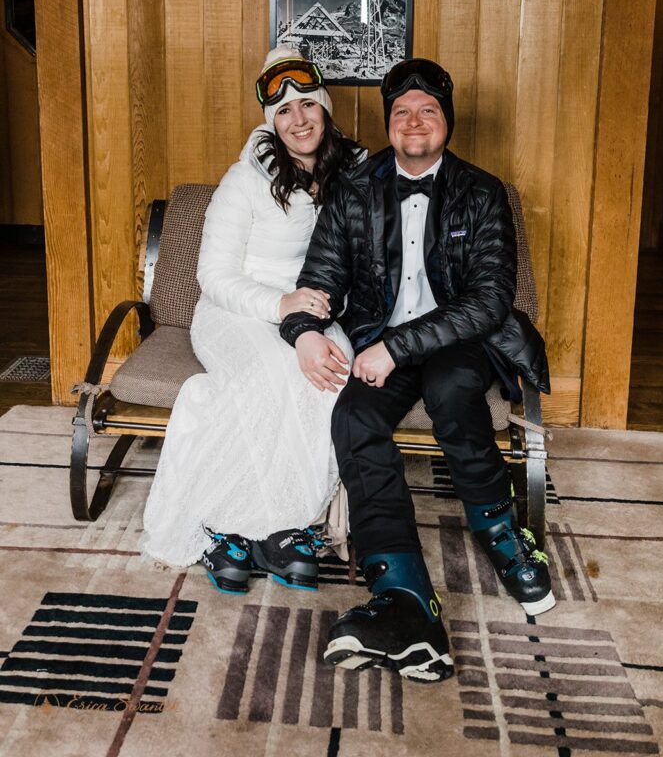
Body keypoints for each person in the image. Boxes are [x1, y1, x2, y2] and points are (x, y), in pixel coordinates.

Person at [281, 57, 553, 682]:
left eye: (427, 110)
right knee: (352, 417)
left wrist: (400, 349)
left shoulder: (483, 191)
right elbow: (319, 275)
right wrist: (302, 332)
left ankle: (503, 535)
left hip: (458, 338)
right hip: (380, 337)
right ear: (389, 124)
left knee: (456, 395)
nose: (413, 121)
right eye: (401, 111)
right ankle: (402, 590)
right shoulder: (354, 188)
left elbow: (487, 301)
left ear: (446, 123)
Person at [142, 47, 361, 593]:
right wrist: (279, 305)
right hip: (235, 311)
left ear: (325, 108)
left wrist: (323, 310)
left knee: (333, 379)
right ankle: (232, 528)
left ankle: (281, 530)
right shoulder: (244, 181)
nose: (298, 119)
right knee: (268, 377)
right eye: (283, 111)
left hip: (313, 311)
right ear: (271, 121)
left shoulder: (355, 172)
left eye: (308, 104)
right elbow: (212, 276)